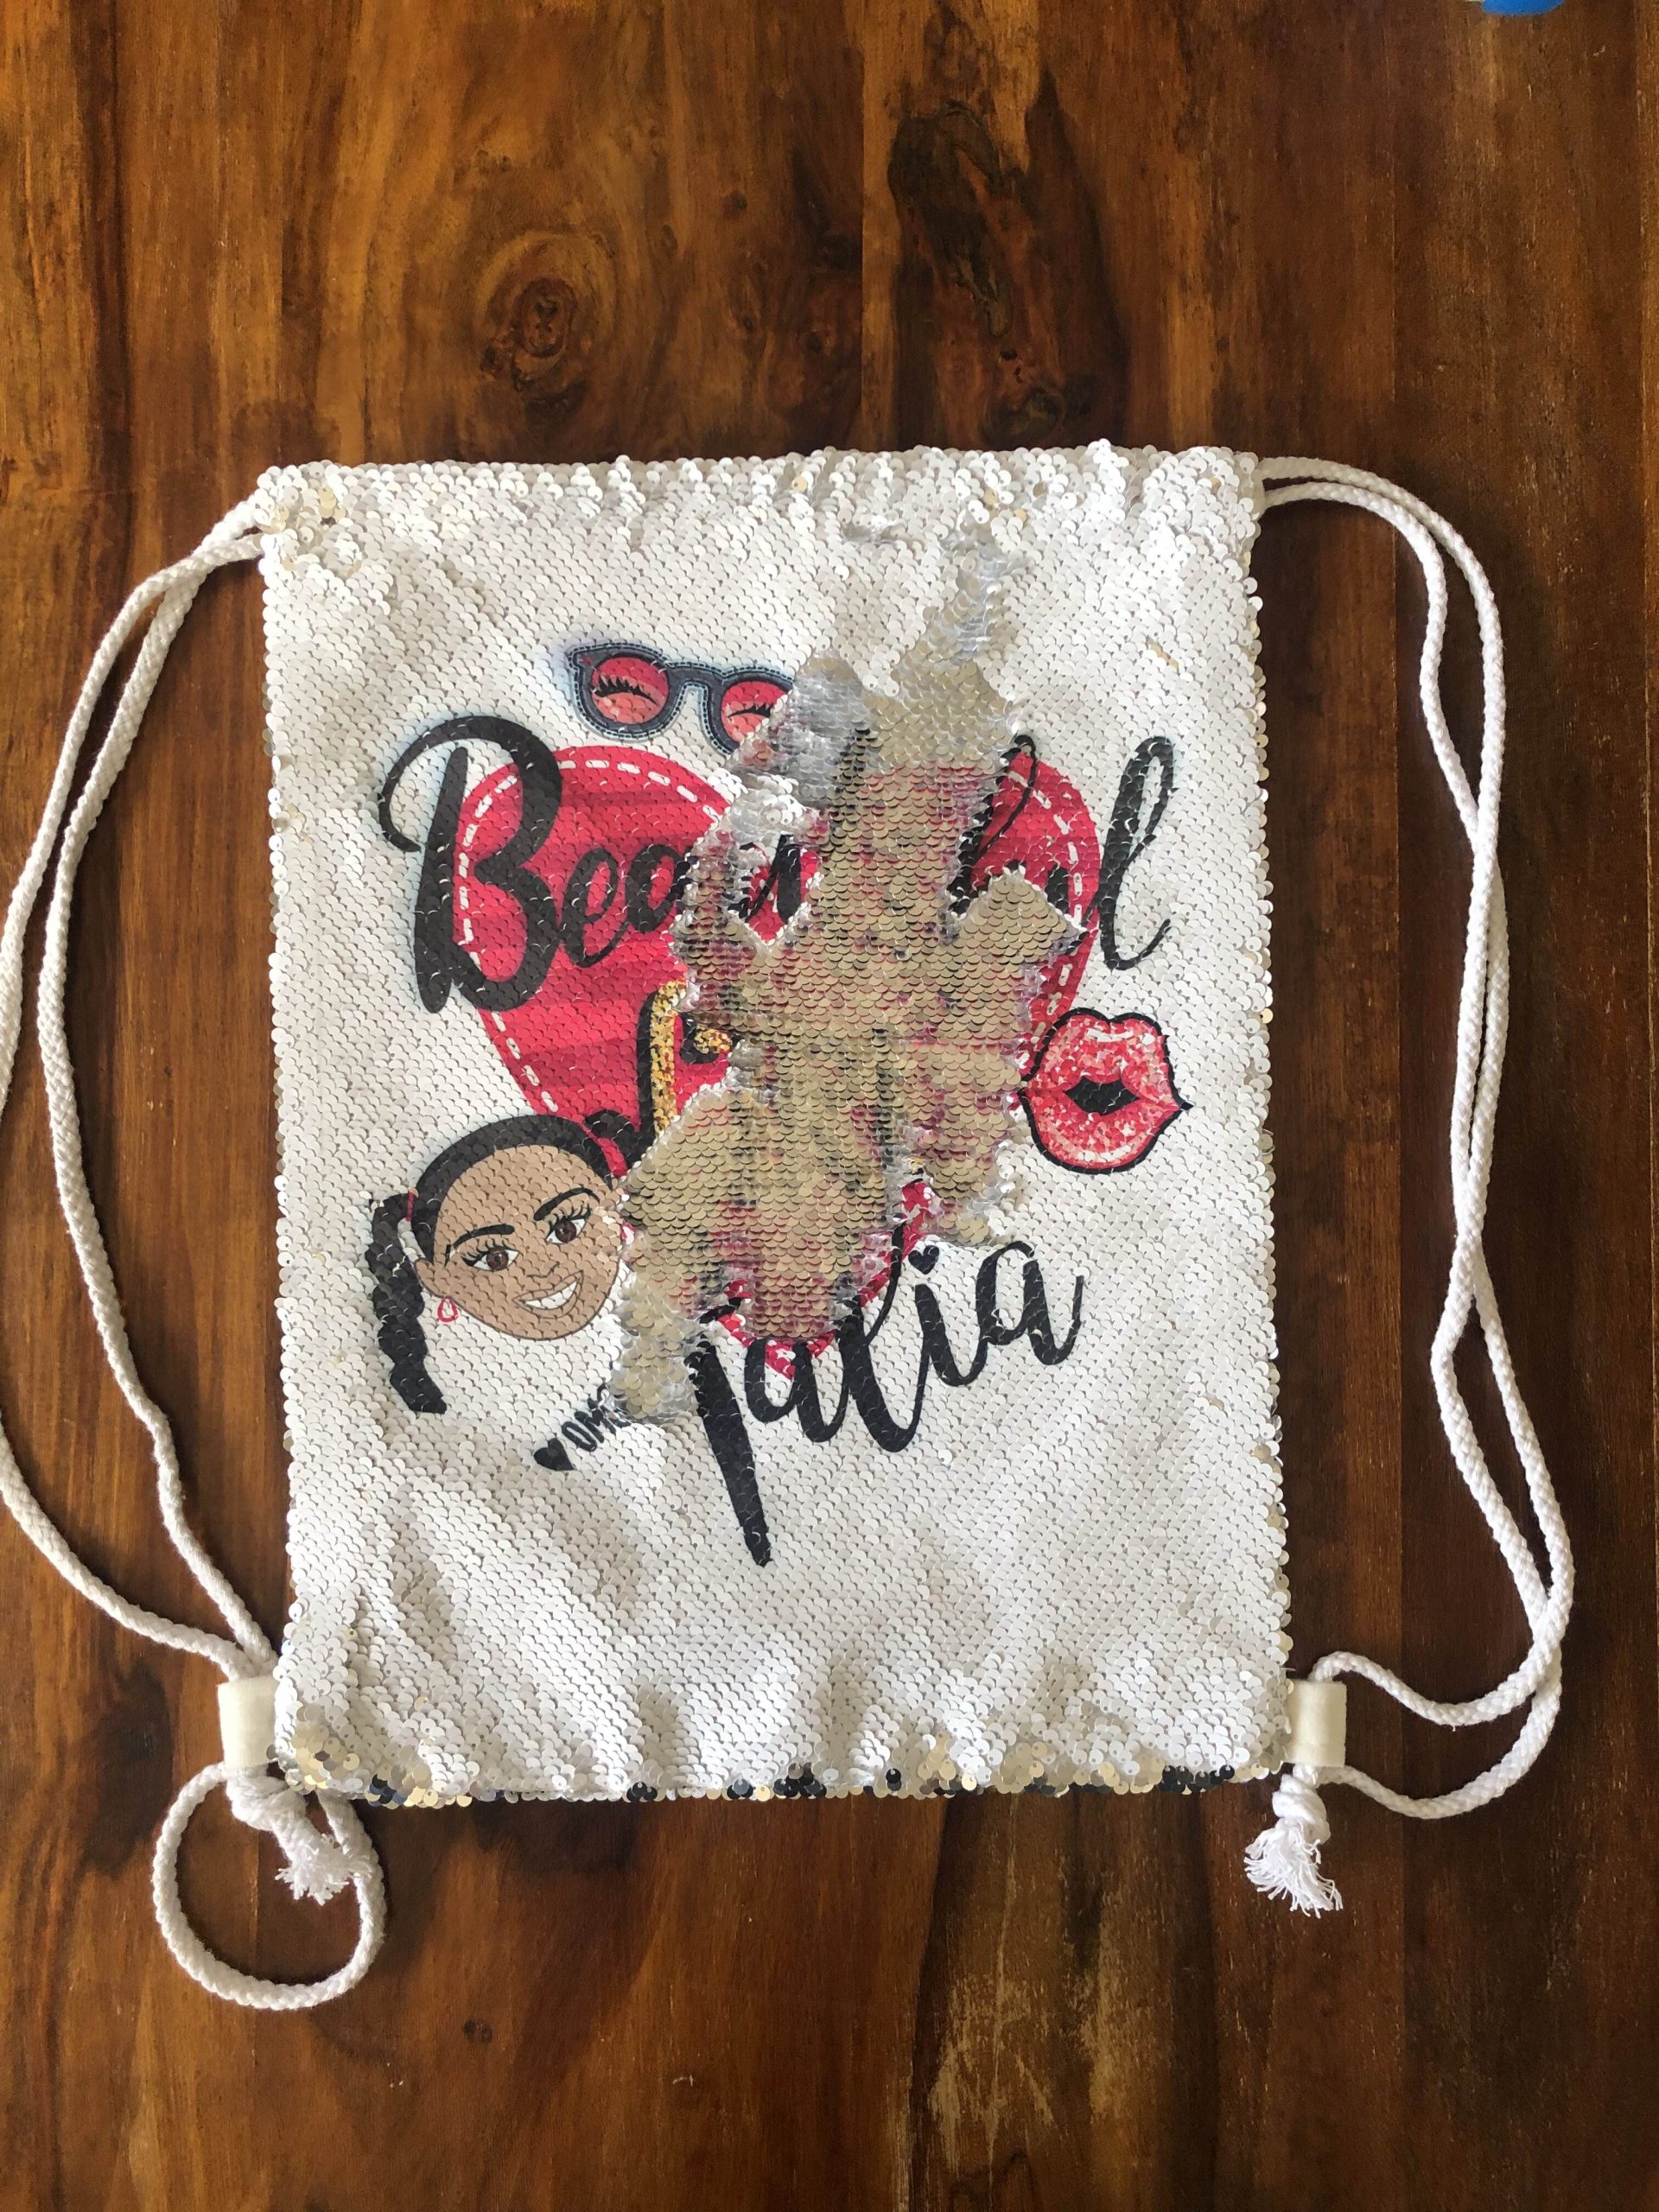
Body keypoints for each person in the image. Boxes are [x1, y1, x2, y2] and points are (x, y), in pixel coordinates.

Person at [366, 1116, 621, 1414]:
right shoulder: (458, 1398)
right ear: (435, 1278)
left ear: (614, 1198)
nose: (543, 1268)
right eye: (494, 1258)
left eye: (566, 1228)